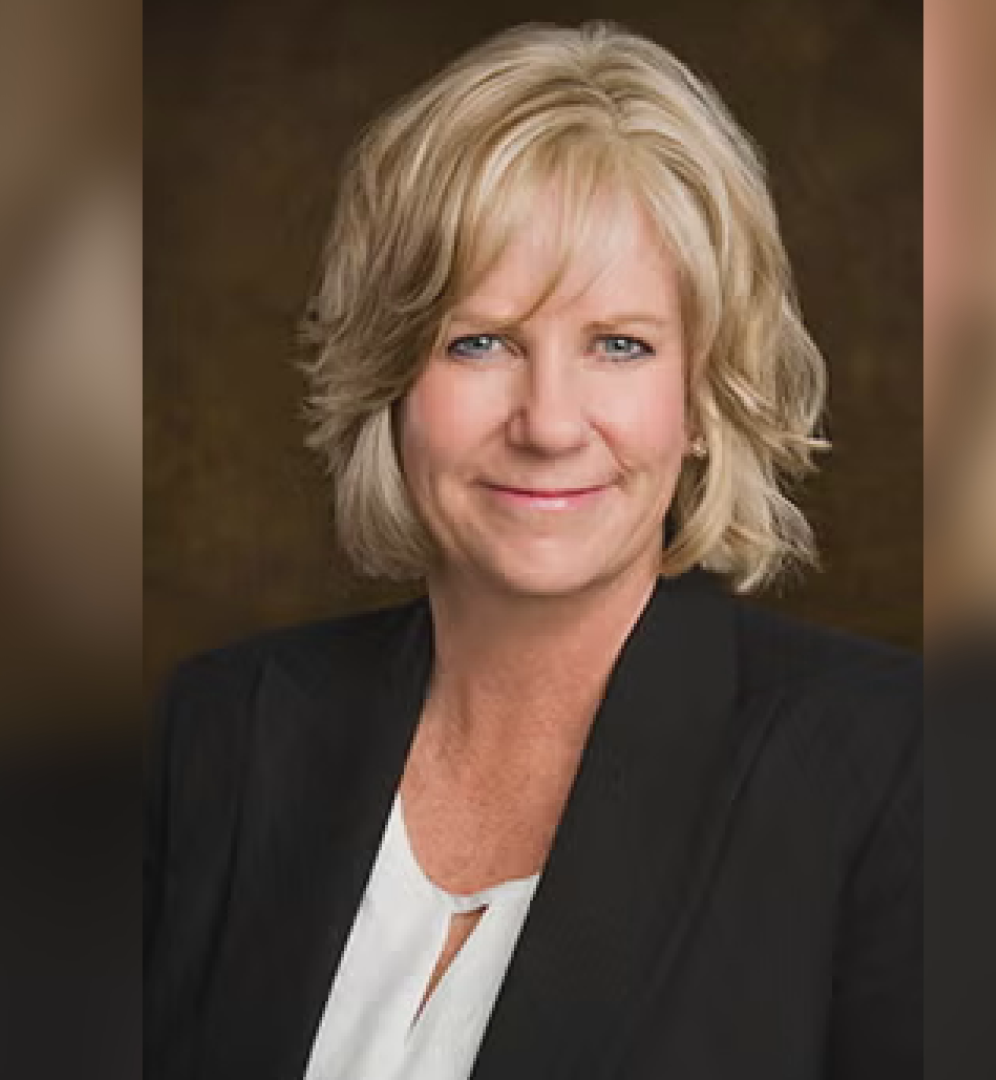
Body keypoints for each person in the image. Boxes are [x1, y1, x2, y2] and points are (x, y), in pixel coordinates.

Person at [143, 22, 921, 1080]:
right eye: (481, 342)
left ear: (701, 397)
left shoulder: (890, 771)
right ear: (390, 380)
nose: (550, 422)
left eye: (619, 345)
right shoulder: (219, 736)